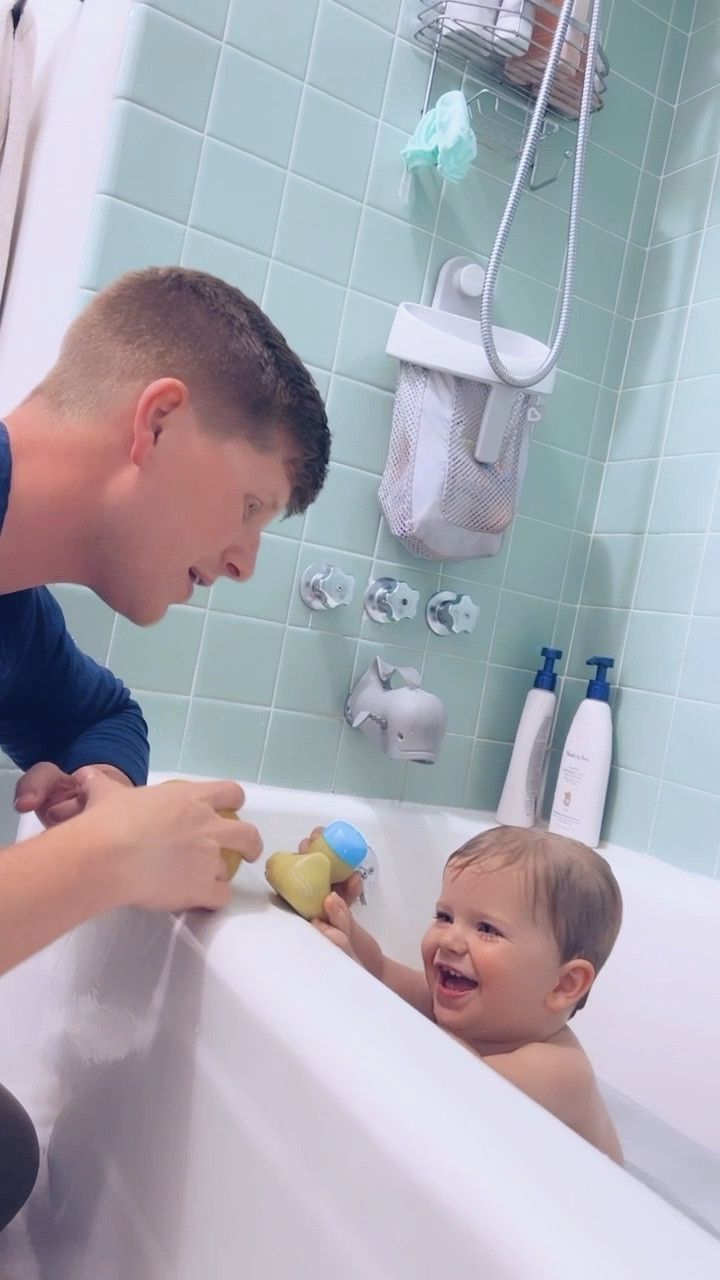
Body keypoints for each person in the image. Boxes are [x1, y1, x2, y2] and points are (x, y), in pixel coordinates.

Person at [0, 265, 330, 1229]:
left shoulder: (16, 620)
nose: (243, 563)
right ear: (157, 423)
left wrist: (101, 782)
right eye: (249, 508)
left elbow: (108, 716)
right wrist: (112, 852)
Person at [310, 824, 624, 1163]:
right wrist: (339, 918)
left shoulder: (560, 1072)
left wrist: (353, 987)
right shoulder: (468, 1010)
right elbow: (382, 971)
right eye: (444, 917)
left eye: (487, 929)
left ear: (565, 985)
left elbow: (452, 1086)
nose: (450, 940)